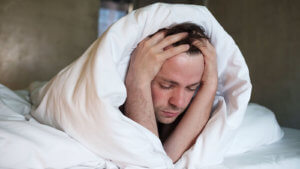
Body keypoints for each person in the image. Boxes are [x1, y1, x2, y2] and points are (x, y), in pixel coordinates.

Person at [122, 23, 218, 163]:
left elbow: (161, 164)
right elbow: (150, 163)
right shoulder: (108, 109)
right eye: (166, 86)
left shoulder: (194, 107)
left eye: (192, 88)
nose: (179, 103)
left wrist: (210, 85)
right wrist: (137, 81)